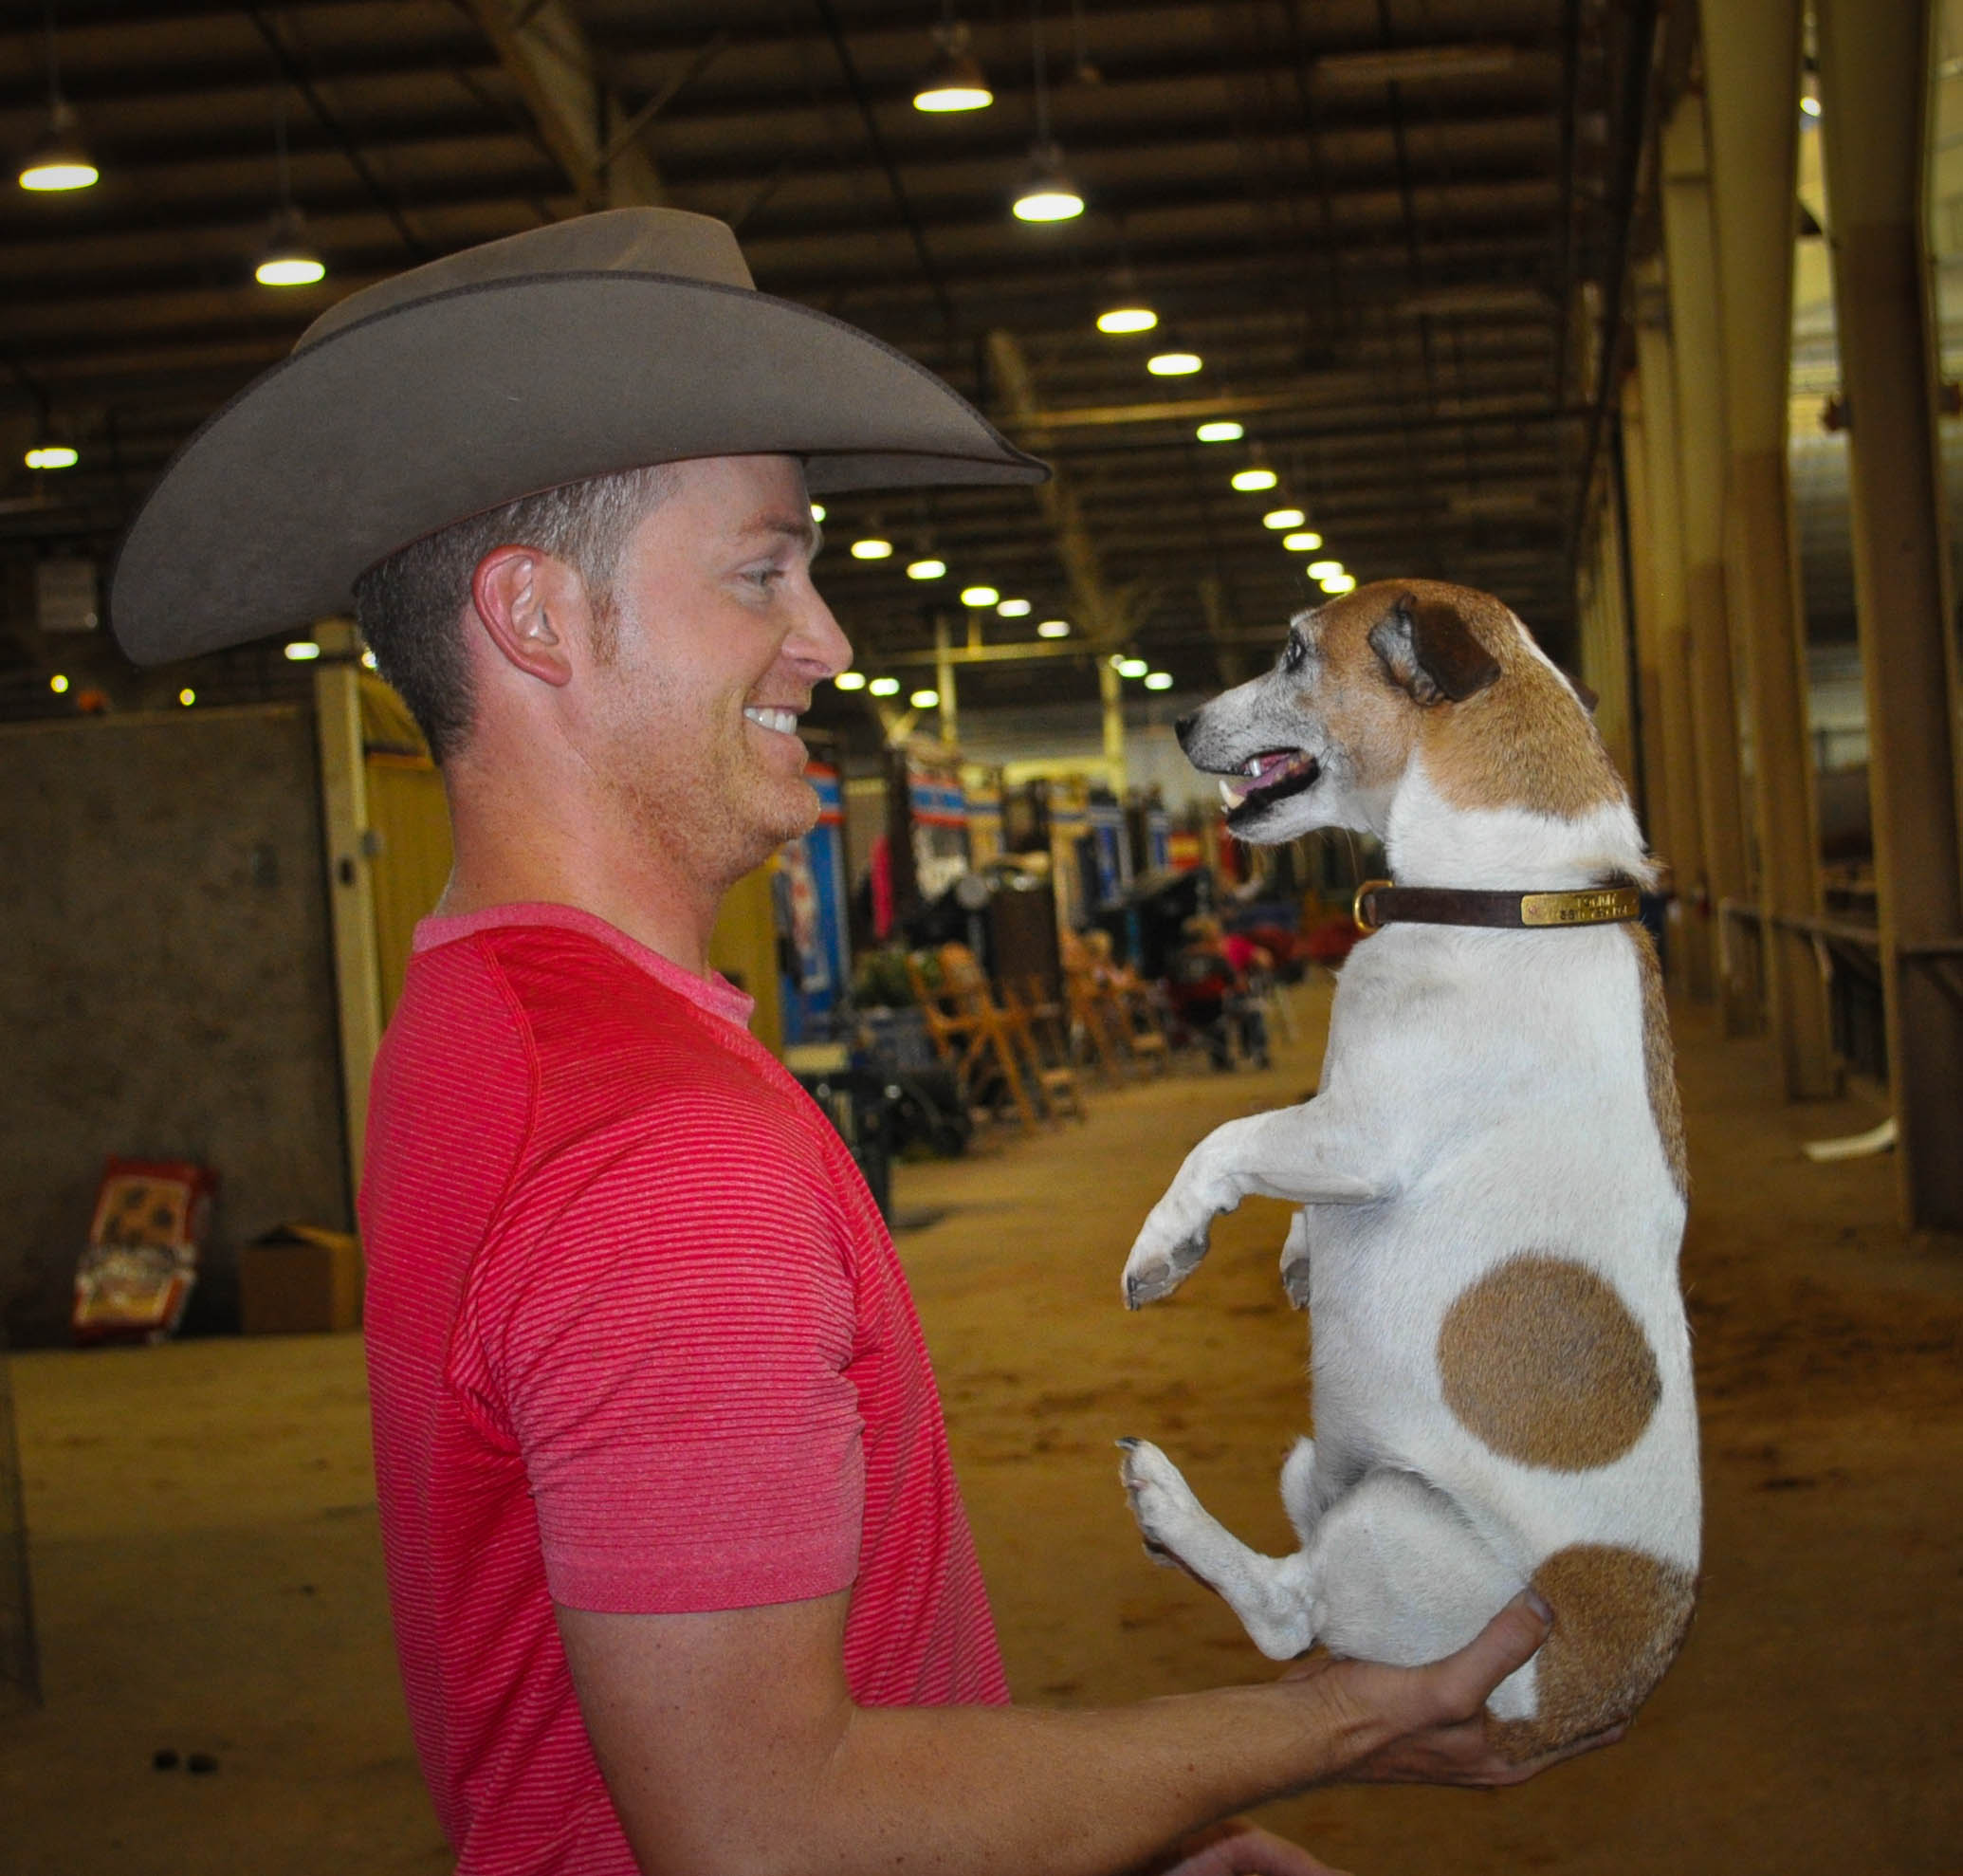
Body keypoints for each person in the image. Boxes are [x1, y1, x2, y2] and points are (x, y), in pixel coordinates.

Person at [110, 209, 1609, 1876]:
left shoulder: (482, 1016)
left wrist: (1132, 1836)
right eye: (763, 570)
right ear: (535, 619)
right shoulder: (660, 1156)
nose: (825, 636)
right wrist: (1340, 1714)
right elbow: (764, 1829)